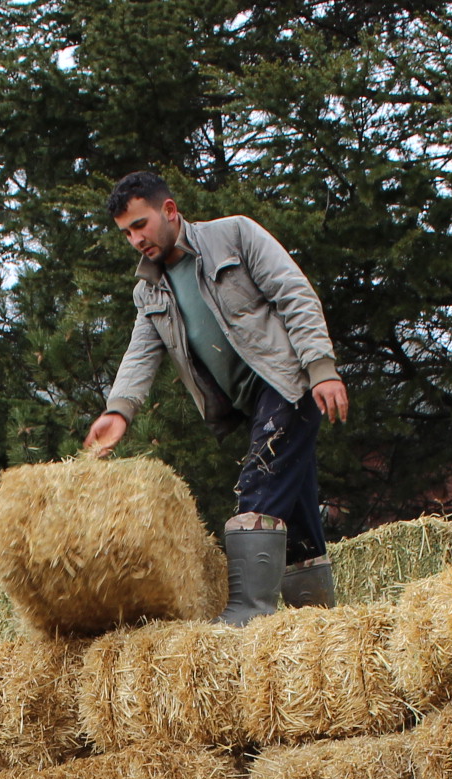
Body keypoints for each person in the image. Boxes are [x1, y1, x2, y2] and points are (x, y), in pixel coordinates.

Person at [83, 171, 348, 626]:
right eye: (127, 232)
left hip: (287, 383)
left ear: (169, 210)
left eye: (141, 224)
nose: (136, 239)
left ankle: (246, 614)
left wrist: (321, 367)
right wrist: (118, 410)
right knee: (299, 523)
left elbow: (294, 293)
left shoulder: (234, 235)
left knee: (258, 486)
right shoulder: (149, 290)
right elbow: (141, 352)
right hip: (251, 406)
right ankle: (325, 631)